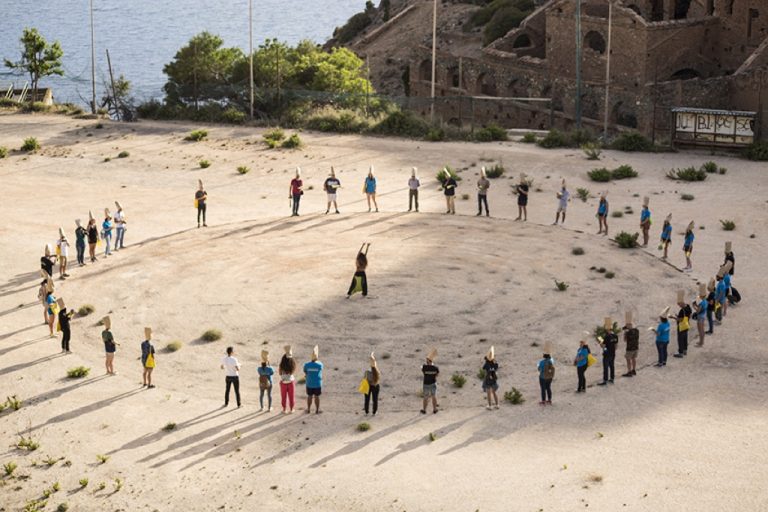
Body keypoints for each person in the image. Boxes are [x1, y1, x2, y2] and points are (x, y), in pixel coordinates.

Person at [597, 317, 618, 385]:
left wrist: (600, 342)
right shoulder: (615, 336)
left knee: (606, 367)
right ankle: (612, 379)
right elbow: (616, 346)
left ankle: (605, 381)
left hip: (607, 354)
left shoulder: (607, 336)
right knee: (612, 366)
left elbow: (603, 346)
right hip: (613, 353)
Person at [303, 345, 323, 414]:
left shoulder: (306, 365)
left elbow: (305, 371)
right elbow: (321, 370)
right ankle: (317, 410)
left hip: (309, 383)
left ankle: (308, 409)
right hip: (317, 384)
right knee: (317, 396)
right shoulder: (320, 365)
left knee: (309, 396)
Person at [278, 345, 297, 414]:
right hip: (291, 382)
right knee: (291, 397)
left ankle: (284, 409)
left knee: (283, 397)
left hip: (283, 383)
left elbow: (280, 373)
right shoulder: (292, 365)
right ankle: (291, 409)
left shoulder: (281, 366)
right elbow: (293, 371)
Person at [673, 291, 692, 358]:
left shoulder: (682, 311)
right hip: (687, 324)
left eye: (679, 304)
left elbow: (680, 320)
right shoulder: (688, 307)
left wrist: (674, 317)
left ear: (681, 303)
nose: (679, 305)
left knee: (680, 339)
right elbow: (689, 315)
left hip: (681, 326)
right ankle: (685, 350)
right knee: (685, 338)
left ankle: (680, 352)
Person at [421, 349, 439, 414]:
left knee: (425, 397)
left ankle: (424, 410)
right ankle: (434, 409)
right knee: (433, 396)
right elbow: (437, 375)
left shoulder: (424, 367)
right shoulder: (435, 368)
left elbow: (423, 371)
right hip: (433, 383)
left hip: (426, 384)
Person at [621, 313, 640, 377]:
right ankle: (634, 370)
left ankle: (629, 372)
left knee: (628, 360)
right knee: (634, 358)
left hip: (630, 348)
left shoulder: (628, 332)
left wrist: (625, 333)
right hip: (636, 347)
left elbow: (625, 340)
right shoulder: (637, 330)